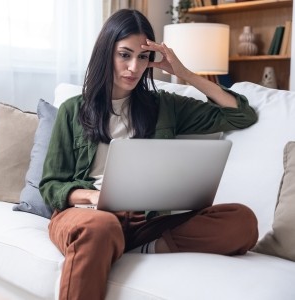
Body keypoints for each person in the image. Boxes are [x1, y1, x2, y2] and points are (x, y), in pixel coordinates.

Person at [38, 9, 259, 300]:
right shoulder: (73, 110)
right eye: (124, 55)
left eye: (142, 57)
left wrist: (185, 74)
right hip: (87, 217)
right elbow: (51, 185)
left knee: (241, 221)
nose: (133, 67)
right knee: (101, 227)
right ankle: (113, 239)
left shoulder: (163, 106)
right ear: (106, 53)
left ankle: (145, 246)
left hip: (148, 223)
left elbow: (241, 115)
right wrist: (93, 197)